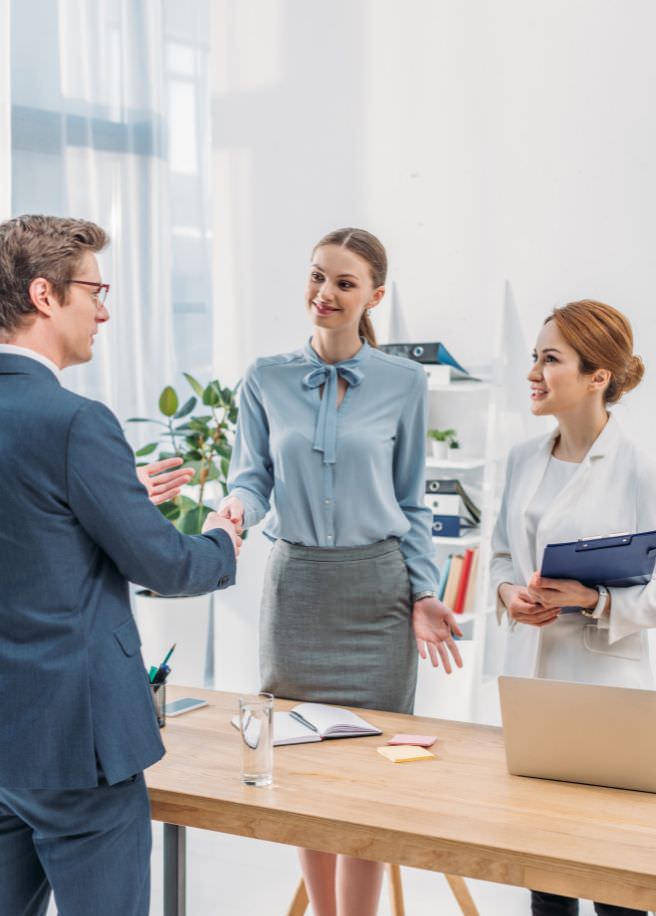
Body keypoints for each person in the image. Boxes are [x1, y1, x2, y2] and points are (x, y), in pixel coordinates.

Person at [0, 214, 240, 916]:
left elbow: (29, 528)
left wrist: (115, 490)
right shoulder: (75, 422)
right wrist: (223, 539)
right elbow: (165, 564)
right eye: (94, 290)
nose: (104, 310)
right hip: (78, 746)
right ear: (45, 295)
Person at [219, 227, 463, 916]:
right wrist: (232, 511)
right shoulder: (265, 377)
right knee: (301, 764)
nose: (325, 294)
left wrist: (423, 592)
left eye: (345, 283)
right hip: (296, 590)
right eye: (317, 277)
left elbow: (413, 499)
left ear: (374, 296)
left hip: (377, 594)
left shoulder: (404, 382)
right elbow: (250, 477)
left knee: (370, 775)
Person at [491, 299, 654, 916]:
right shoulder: (522, 459)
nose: (532, 371)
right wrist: (511, 596)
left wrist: (596, 598)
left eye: (549, 359)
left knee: (617, 882)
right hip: (535, 688)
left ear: (597, 377)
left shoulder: (641, 466)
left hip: (610, 692)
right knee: (546, 877)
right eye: (533, 357)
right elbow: (504, 556)